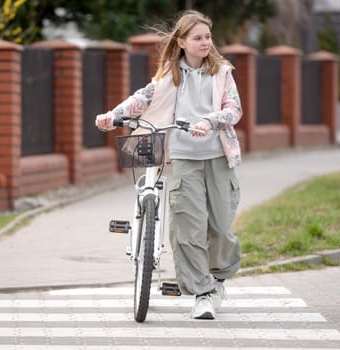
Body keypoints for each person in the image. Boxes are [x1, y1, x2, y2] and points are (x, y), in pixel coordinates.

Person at [95, 10, 242, 320]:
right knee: (187, 229)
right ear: (182, 42)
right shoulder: (168, 75)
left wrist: (209, 121)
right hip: (183, 159)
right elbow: (142, 98)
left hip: (217, 158)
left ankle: (217, 280)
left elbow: (234, 110)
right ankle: (201, 294)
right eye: (198, 37)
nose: (206, 42)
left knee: (219, 230)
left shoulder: (222, 72)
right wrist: (112, 114)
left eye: (208, 37)